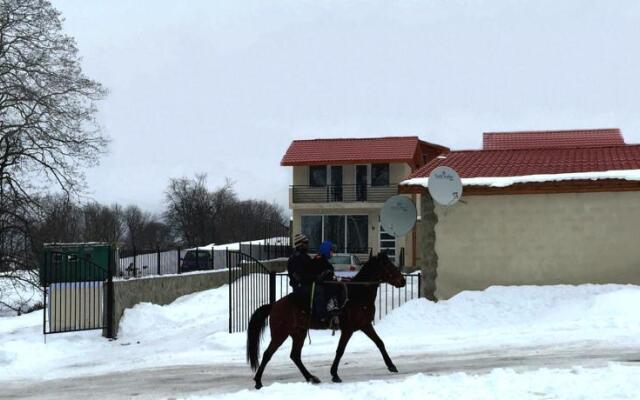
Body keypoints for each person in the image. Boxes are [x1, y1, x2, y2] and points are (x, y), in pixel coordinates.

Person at [313, 240, 344, 328]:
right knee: (335, 290)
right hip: (322, 287)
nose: (332, 253)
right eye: (331, 251)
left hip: (325, 285)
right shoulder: (319, 261)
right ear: (326, 250)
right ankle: (331, 311)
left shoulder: (323, 260)